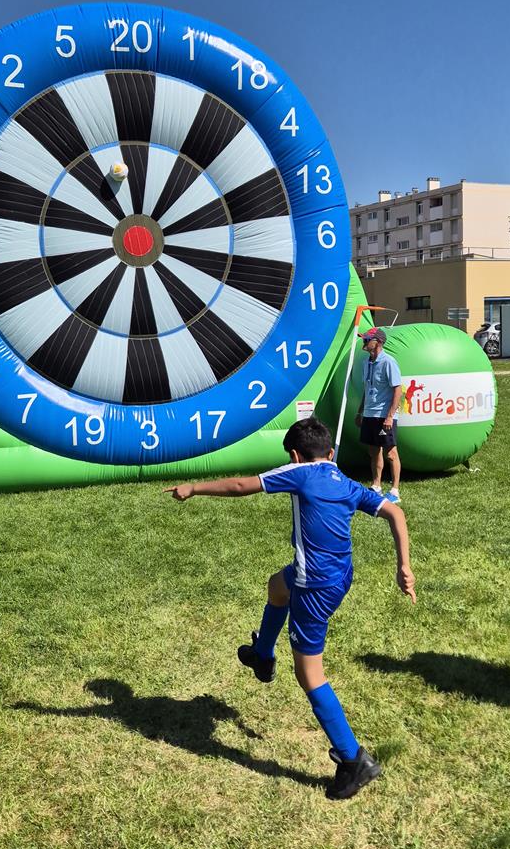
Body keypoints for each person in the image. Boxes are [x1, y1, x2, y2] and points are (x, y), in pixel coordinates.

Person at [165, 417, 415, 799]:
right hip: (337, 577)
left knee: (310, 674)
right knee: (276, 587)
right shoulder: (347, 483)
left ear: (296, 456)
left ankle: (353, 760)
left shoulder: (298, 473)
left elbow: (239, 485)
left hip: (313, 586)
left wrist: (193, 488)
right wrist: (403, 567)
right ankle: (263, 655)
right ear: (331, 453)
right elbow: (395, 514)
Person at [354, 327, 402, 502]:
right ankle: (376, 486)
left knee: (391, 453)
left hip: (384, 416)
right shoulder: (366, 363)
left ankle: (395, 491)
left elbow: (398, 390)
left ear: (378, 342)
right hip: (369, 414)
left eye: (367, 339)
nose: (364, 342)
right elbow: (367, 390)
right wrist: (361, 412)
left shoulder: (389, 362)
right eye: (364, 339)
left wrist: (390, 416)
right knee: (373, 451)